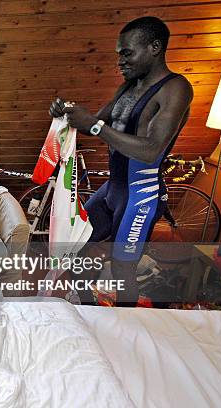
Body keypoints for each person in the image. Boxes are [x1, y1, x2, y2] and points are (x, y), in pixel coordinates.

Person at [49, 16, 193, 306]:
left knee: (122, 266)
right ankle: (88, 305)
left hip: (140, 194)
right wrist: (67, 113)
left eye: (127, 53)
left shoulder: (175, 88)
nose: (121, 62)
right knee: (74, 246)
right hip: (112, 189)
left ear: (154, 47)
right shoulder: (127, 88)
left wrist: (94, 125)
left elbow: (151, 149)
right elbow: (96, 122)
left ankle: (126, 323)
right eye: (119, 55)